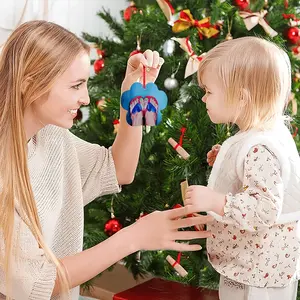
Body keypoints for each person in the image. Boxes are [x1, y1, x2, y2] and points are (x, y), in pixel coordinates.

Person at [0, 20, 213, 300]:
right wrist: (134, 237)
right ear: (30, 84)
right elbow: (39, 282)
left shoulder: (51, 138)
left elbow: (119, 170)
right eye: (75, 86)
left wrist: (131, 92)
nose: (86, 99)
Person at [184, 36, 300, 300]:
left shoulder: (260, 148)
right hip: (257, 266)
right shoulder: (264, 133)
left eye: (209, 91)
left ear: (241, 97)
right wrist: (224, 158)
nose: (204, 98)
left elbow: (264, 210)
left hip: (258, 273)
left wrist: (216, 201)